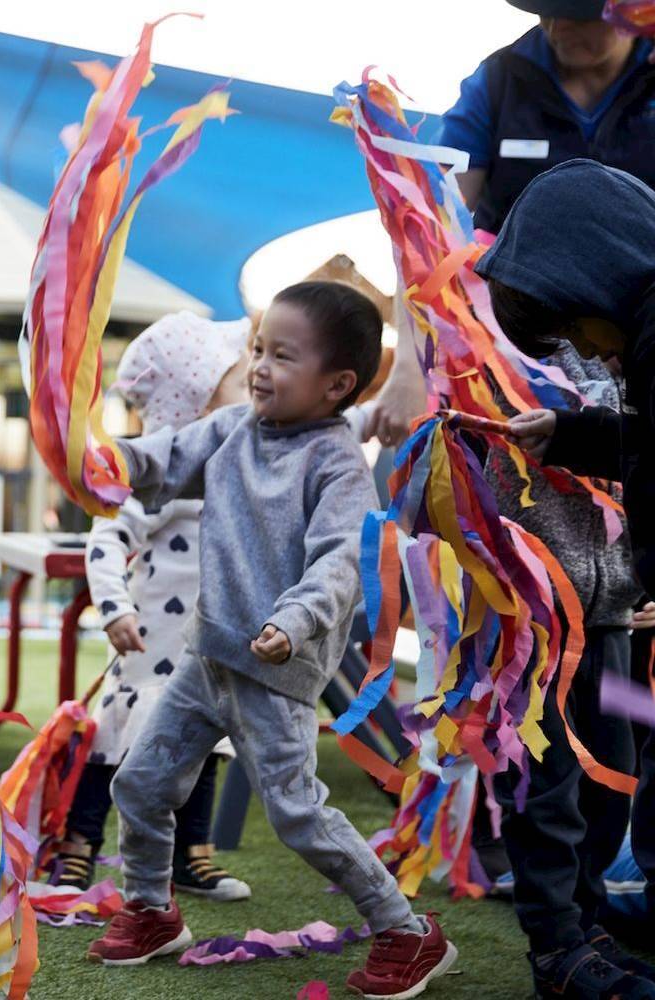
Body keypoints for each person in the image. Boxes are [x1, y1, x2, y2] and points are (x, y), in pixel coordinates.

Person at [87, 282, 458, 1000]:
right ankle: (150, 910)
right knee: (139, 782)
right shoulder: (232, 428)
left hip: (275, 671)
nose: (259, 367)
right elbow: (160, 456)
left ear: (337, 385)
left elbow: (340, 561)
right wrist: (106, 461)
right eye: (258, 349)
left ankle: (407, 932)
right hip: (207, 658)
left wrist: (292, 623)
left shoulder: (337, 464)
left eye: (282, 356)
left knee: (297, 813)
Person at [476, 156, 655, 997]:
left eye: (578, 335)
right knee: (549, 786)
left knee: (614, 772)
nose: (585, 354)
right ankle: (560, 943)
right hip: (541, 634)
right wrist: (569, 435)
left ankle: (587, 925)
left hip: (615, 620)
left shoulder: (644, 342)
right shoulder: (496, 368)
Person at [366, 0, 655, 448]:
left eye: (577, 15)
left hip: (638, 344)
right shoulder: (499, 81)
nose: (556, 27)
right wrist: (409, 362)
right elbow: (428, 227)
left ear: (630, 12)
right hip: (512, 354)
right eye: (544, 10)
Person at [46, 312, 252, 905]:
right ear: (200, 401)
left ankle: (192, 856)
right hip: (152, 643)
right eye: (241, 382)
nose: (255, 392)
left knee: (204, 740)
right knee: (116, 742)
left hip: (210, 641)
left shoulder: (235, 465)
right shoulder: (171, 473)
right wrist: (113, 608)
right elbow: (107, 535)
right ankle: (79, 845)